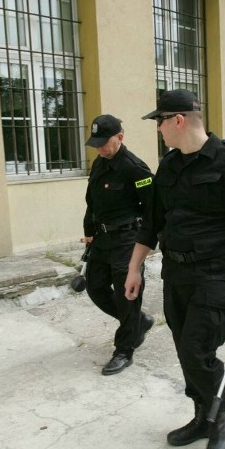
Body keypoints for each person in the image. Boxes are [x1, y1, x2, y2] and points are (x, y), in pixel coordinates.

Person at [124, 89, 225, 449]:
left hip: (213, 273)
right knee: (184, 348)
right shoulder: (170, 165)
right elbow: (152, 225)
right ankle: (201, 416)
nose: (157, 129)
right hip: (175, 273)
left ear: (178, 120)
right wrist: (134, 268)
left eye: (159, 121)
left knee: (197, 349)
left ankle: (218, 417)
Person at [82, 114, 155, 376]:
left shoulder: (136, 168)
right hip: (102, 239)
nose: (99, 148)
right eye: (96, 143)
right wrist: (89, 231)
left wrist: (146, 244)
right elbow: (92, 201)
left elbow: (153, 209)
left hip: (127, 240)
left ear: (120, 137)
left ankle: (124, 350)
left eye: (104, 142)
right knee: (95, 287)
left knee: (127, 295)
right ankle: (138, 323)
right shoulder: (99, 164)